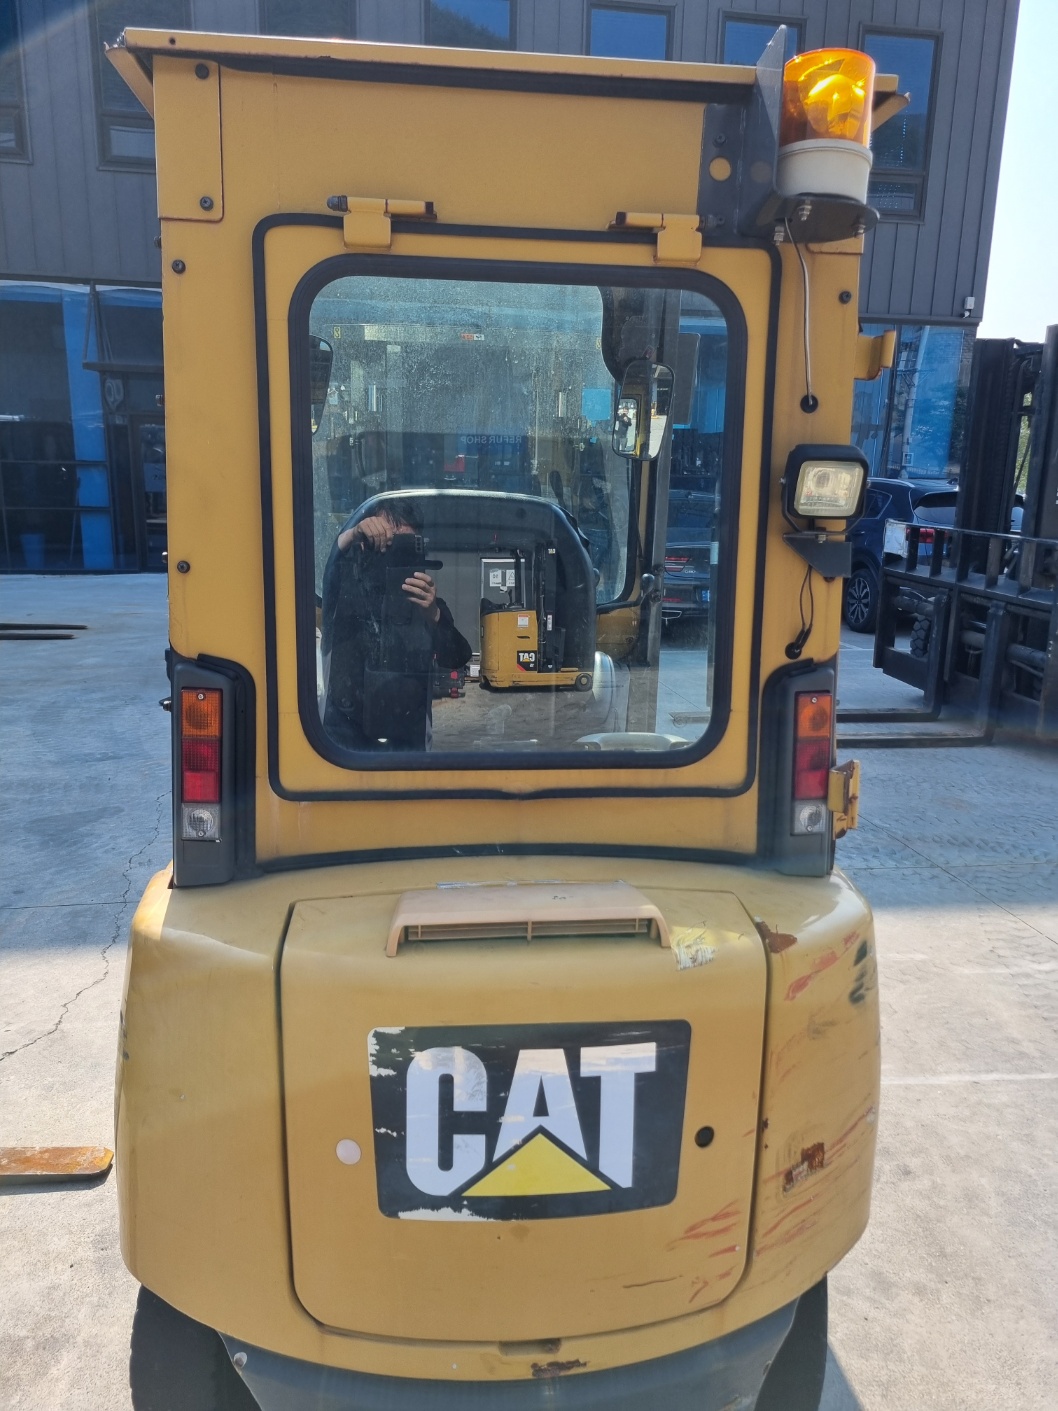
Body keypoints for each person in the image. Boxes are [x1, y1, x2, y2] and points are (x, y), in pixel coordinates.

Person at [320, 501, 472, 752]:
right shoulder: (345, 593)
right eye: (383, 542)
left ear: (418, 548)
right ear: (364, 544)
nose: (393, 553)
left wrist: (434, 615)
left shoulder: (425, 603)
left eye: (404, 545)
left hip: (407, 744)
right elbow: (326, 574)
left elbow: (458, 657)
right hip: (343, 742)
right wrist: (352, 534)